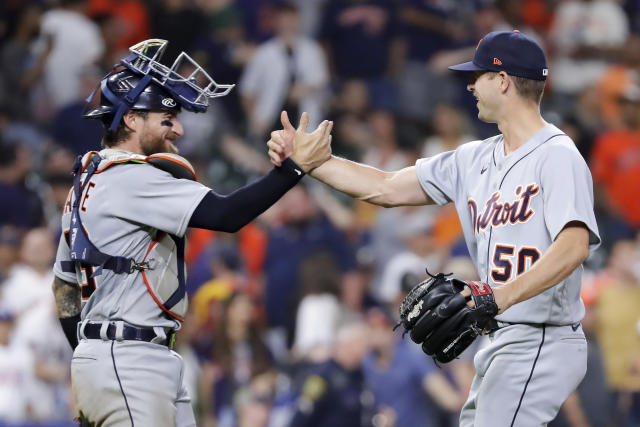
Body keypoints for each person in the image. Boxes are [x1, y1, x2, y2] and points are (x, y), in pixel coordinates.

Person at [269, 30, 601, 426]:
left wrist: (498, 297)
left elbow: (574, 245)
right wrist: (311, 163)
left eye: (478, 76)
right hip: (503, 336)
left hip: (542, 335)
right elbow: (385, 187)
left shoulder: (557, 155)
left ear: (503, 81)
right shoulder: (473, 158)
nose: (470, 84)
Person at [51, 39, 331, 426]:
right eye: (167, 118)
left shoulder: (85, 184)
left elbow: (64, 289)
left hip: (125, 356)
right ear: (131, 119)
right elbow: (227, 214)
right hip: (129, 361)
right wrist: (294, 169)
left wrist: (88, 356)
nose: (179, 128)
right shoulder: (131, 177)